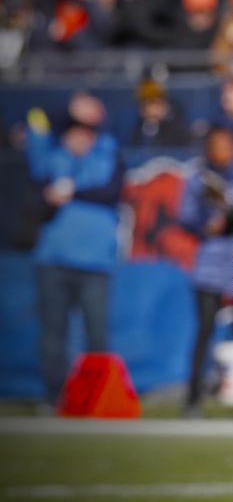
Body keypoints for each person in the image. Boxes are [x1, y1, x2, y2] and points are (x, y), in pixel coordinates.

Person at [25, 93, 124, 409]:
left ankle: (97, 399)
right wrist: (67, 108)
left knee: (97, 334)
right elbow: (34, 118)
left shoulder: (107, 150)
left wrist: (72, 192)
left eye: (87, 129)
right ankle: (53, 398)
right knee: (53, 334)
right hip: (53, 258)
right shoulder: (53, 155)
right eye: (75, 128)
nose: (81, 136)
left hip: (95, 261)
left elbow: (111, 190)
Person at [179, 126, 233, 418]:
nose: (221, 150)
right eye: (215, 145)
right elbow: (186, 216)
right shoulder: (199, 178)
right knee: (203, 333)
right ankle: (192, 399)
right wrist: (207, 224)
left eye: (225, 144)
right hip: (210, 265)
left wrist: (232, 214)